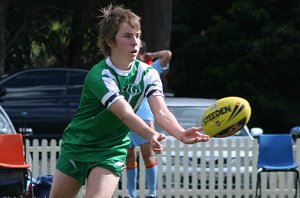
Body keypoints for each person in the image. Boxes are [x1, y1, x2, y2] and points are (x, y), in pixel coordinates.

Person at [49, 4, 210, 198]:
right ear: (110, 41)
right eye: (127, 36)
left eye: (138, 35)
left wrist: (180, 133)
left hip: (111, 149)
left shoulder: (147, 73)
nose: (136, 42)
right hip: (79, 144)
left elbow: (161, 112)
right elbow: (125, 114)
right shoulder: (100, 75)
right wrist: (151, 134)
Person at [126, 41, 172, 198]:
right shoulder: (125, 70)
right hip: (126, 118)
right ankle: (131, 193)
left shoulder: (151, 69)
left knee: (148, 155)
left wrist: (151, 55)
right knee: (129, 156)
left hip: (145, 117)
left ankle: (152, 193)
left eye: (137, 52)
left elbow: (167, 54)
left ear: (142, 54)